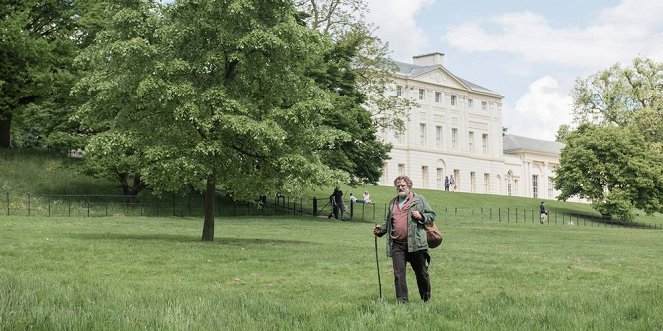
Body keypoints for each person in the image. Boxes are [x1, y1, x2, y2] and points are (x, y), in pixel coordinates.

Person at [373, 175, 437, 303]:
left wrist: (421, 216)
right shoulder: (393, 203)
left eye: (403, 186)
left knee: (421, 273)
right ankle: (402, 302)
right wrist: (381, 230)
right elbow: (389, 222)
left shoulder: (419, 200)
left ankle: (426, 299)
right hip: (397, 244)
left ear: (409, 186)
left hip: (416, 243)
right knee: (399, 274)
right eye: (398, 186)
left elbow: (432, 215)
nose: (400, 188)